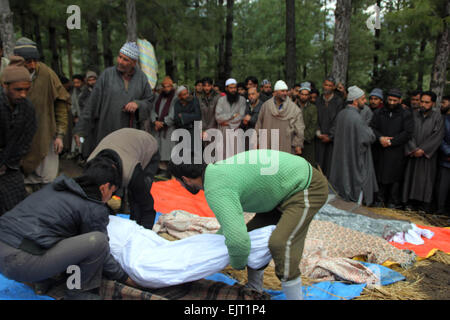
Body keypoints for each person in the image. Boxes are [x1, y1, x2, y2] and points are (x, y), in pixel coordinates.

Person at [167, 149, 329, 300]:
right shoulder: (215, 172)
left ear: (186, 179)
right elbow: (231, 224)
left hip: (305, 187)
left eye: (179, 182)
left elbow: (239, 242)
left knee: (281, 244)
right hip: (278, 194)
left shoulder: (215, 188)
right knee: (253, 236)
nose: (180, 185)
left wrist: (236, 264)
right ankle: (254, 290)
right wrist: (211, 246)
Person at [0, 151, 137, 300]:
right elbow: (101, 252)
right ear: (104, 188)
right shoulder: (93, 208)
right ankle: (77, 291)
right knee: (97, 241)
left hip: (4, 248)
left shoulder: (57, 187)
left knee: (64, 235)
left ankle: (43, 280)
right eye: (112, 191)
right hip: (20, 262)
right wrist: (124, 277)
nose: (111, 196)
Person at [74, 42, 153, 154]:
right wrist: (80, 130)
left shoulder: (141, 78)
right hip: (107, 130)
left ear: (134, 63)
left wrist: (138, 104)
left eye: (125, 59)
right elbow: (92, 104)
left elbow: (149, 101)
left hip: (130, 134)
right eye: (119, 57)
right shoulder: (107, 75)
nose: (120, 61)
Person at [13, 37, 70, 193]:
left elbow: (61, 103)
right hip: (20, 140)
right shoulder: (10, 75)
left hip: (46, 136)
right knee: (23, 186)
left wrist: (59, 134)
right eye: (27, 61)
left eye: (34, 61)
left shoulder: (46, 73)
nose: (32, 65)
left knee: (48, 184)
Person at [88, 128, 160, 230]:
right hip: (122, 143)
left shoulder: (131, 172)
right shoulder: (90, 169)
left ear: (112, 187)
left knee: (137, 198)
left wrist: (143, 234)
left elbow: (147, 207)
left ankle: (135, 228)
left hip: (146, 144)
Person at [329, 86, 378, 206]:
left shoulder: (342, 114)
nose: (365, 101)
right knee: (353, 187)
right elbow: (368, 137)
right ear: (355, 101)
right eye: (362, 99)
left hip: (342, 158)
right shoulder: (356, 118)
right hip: (354, 160)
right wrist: (371, 131)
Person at [0, 58, 37, 215]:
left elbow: (26, 140)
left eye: (26, 90)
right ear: (4, 86)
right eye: (18, 90)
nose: (23, 94)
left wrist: (7, 164)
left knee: (15, 211)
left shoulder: (27, 108)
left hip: (10, 167)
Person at [370, 89, 414, 209]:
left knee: (395, 177)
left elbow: (407, 133)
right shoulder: (379, 112)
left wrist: (391, 141)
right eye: (390, 100)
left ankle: (392, 201)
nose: (392, 103)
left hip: (396, 151)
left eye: (395, 100)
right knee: (379, 174)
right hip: (380, 149)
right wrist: (380, 138)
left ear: (400, 100)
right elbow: (372, 128)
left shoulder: (406, 114)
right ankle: (379, 199)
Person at [402, 91, 445, 213]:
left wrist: (423, 150)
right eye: (422, 101)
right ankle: (409, 203)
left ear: (433, 103)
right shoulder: (413, 115)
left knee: (426, 180)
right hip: (413, 153)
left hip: (427, 156)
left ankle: (422, 206)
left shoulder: (438, 117)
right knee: (410, 178)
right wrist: (413, 148)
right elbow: (408, 133)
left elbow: (437, 136)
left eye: (427, 102)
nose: (423, 104)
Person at [255, 80, 304, 156]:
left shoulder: (294, 108)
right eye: (282, 91)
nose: (285, 93)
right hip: (268, 143)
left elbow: (299, 128)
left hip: (286, 144)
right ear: (275, 92)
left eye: (286, 91)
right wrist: (257, 141)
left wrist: (298, 144)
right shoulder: (266, 106)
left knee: (284, 165)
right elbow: (259, 125)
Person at [314, 76, 344, 178]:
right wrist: (318, 133)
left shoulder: (338, 101)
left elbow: (338, 120)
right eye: (326, 85)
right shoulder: (318, 101)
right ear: (323, 85)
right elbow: (315, 119)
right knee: (318, 163)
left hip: (332, 139)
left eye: (330, 85)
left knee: (330, 163)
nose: (327, 87)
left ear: (333, 87)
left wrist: (330, 136)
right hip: (319, 138)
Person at [150, 76, 177, 175]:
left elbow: (173, 114)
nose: (166, 89)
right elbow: (153, 110)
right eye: (164, 86)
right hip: (157, 127)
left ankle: (168, 170)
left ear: (172, 86)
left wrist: (163, 123)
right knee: (158, 148)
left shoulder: (175, 98)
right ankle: (160, 168)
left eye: (168, 86)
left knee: (168, 149)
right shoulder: (158, 97)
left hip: (168, 128)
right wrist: (155, 121)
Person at [215, 78, 247, 160]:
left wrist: (227, 123)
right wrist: (232, 116)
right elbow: (218, 117)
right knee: (223, 156)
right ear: (226, 88)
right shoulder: (221, 100)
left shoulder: (242, 100)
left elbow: (241, 116)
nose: (233, 90)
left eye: (234, 88)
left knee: (237, 156)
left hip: (236, 131)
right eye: (231, 88)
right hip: (223, 131)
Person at [296, 83, 318, 166]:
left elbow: (313, 125)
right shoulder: (293, 106)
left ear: (309, 96)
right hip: (294, 143)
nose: (304, 96)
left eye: (306, 95)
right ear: (299, 94)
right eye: (302, 94)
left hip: (308, 143)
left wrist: (303, 138)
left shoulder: (313, 108)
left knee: (308, 166)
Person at [78, 71, 98, 160]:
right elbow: (82, 104)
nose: (92, 82)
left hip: (99, 120)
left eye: (94, 79)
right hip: (88, 120)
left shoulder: (101, 90)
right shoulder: (84, 92)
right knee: (87, 141)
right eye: (90, 80)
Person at [436, 107, 450, 215]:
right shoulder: (445, 120)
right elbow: (440, 138)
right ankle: (440, 210)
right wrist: (448, 152)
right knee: (442, 188)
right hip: (446, 160)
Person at [198, 77, 220, 143]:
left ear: (212, 86)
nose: (207, 88)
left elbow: (216, 115)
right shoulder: (199, 98)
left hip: (215, 128)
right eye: (204, 86)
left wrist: (208, 130)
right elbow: (200, 115)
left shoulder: (218, 97)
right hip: (203, 129)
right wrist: (202, 130)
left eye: (208, 86)